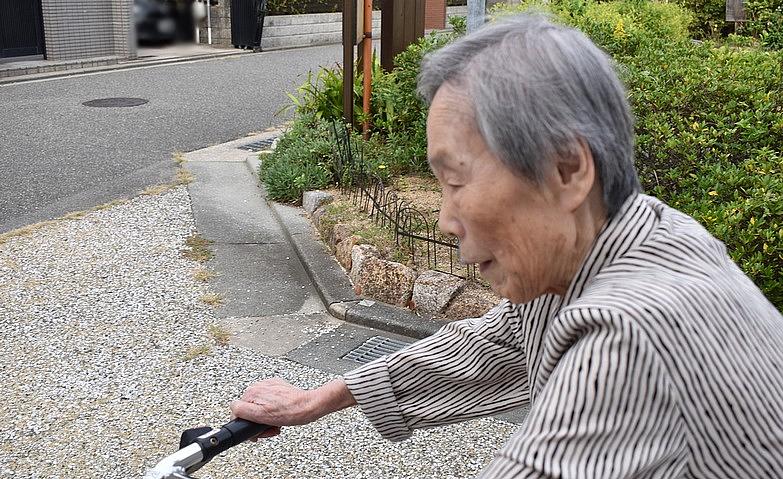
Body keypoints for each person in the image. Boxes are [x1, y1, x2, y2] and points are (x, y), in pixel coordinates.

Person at [230, 14, 783, 477]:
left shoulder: (632, 334)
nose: (445, 219)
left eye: (456, 182)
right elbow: (499, 339)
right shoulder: (632, 238)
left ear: (567, 169)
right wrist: (323, 398)